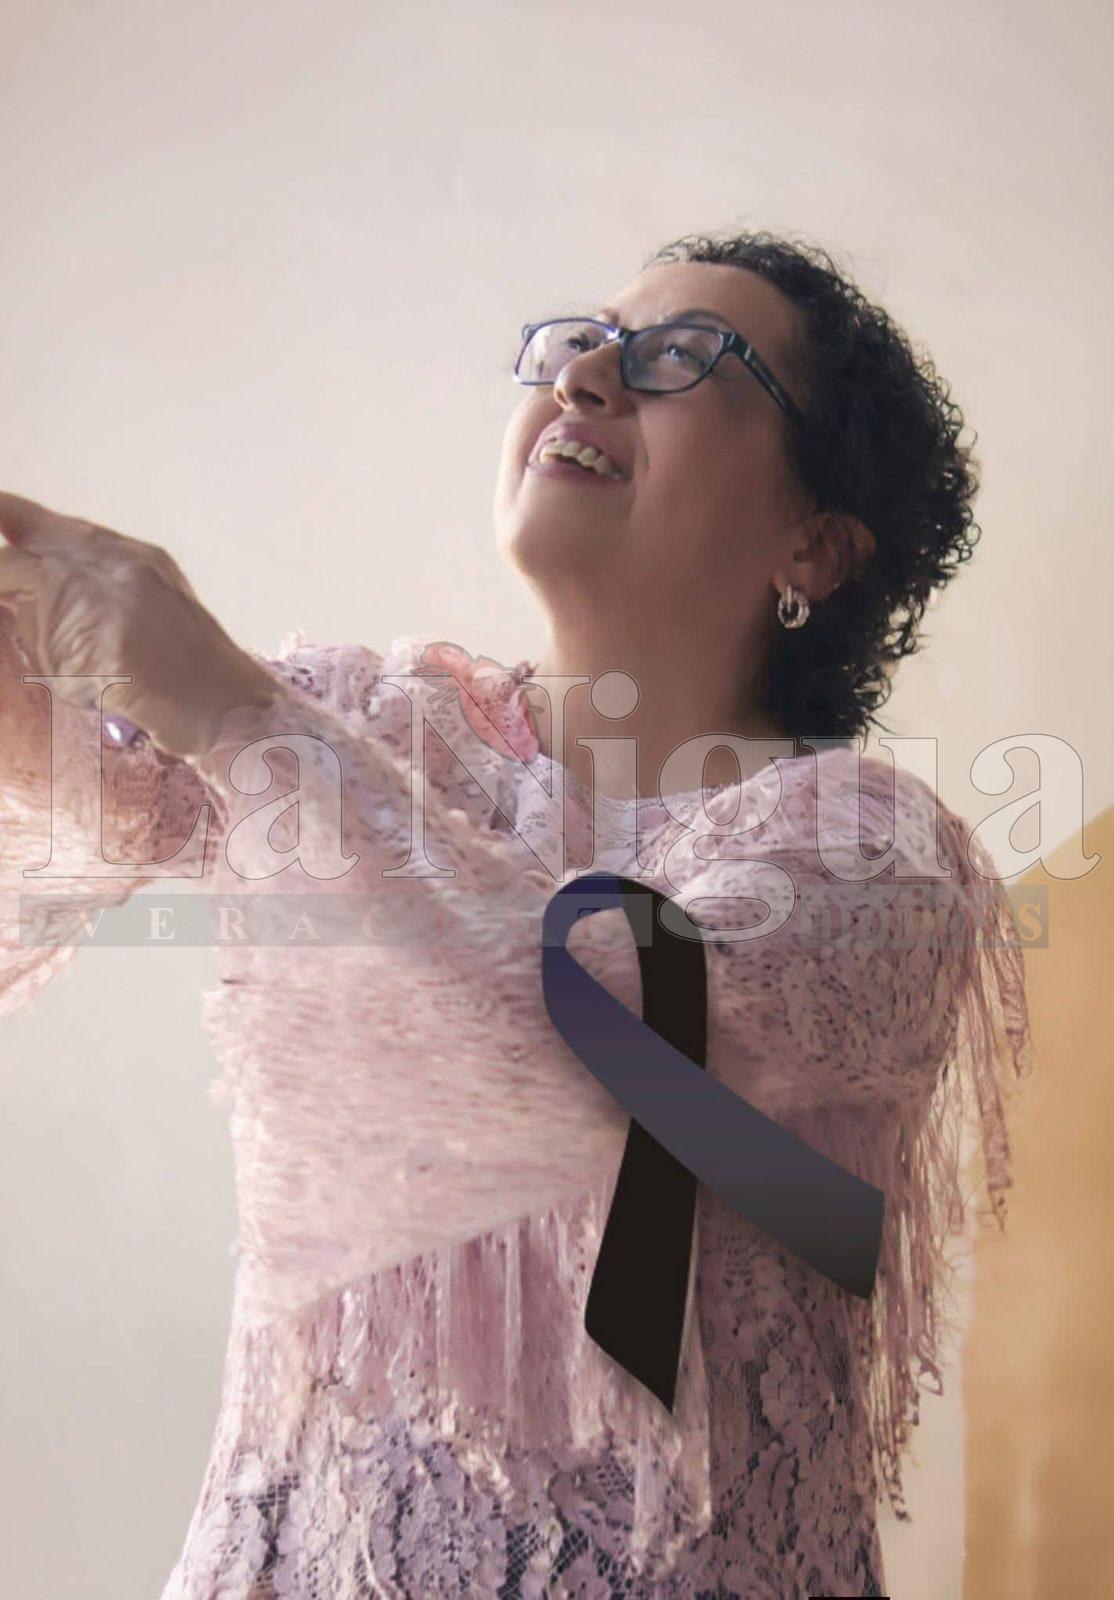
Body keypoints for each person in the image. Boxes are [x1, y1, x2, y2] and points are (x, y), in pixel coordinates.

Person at [0, 228, 1033, 1599]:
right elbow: (82, 794)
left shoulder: (873, 852)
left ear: (818, 545)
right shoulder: (368, 729)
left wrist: (234, 711)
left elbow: (610, 1042)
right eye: (578, 341)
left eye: (682, 357)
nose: (586, 375)